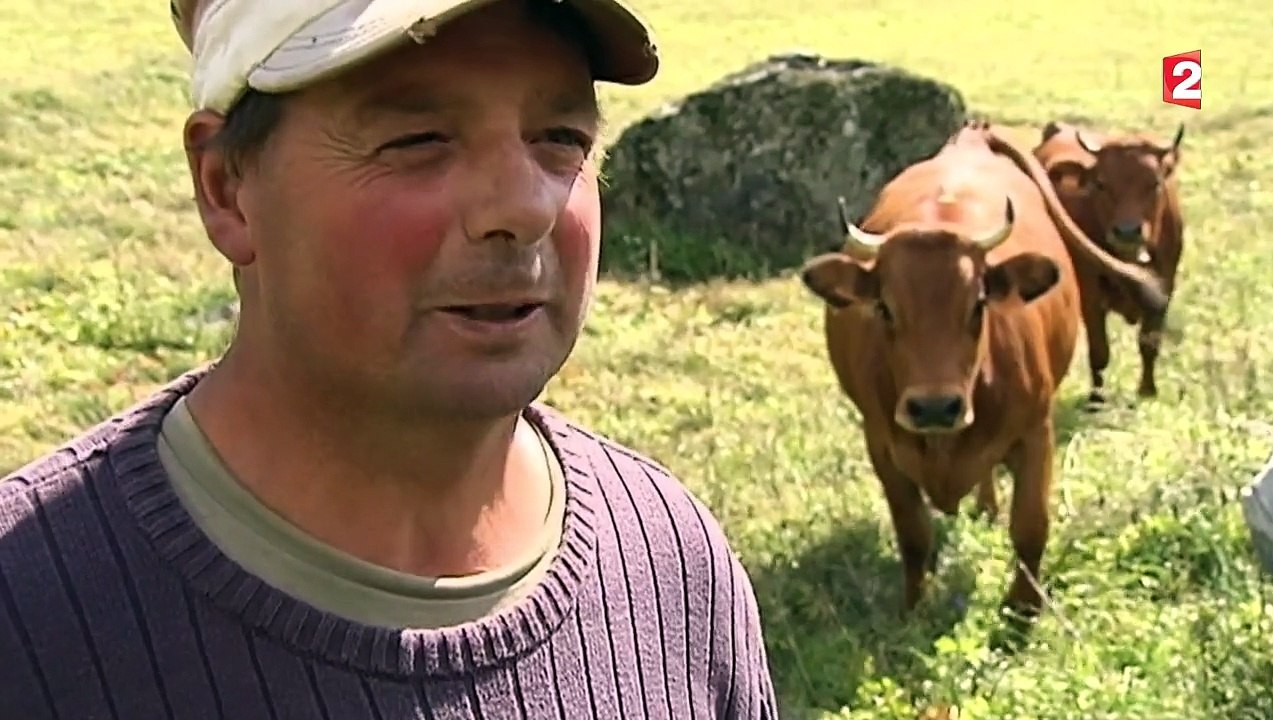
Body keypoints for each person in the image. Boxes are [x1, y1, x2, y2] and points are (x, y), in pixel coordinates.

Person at [0, 0, 780, 717]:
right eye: (418, 141)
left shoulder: (670, 565)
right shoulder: (33, 616)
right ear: (227, 188)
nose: (524, 206)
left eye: (561, 140)